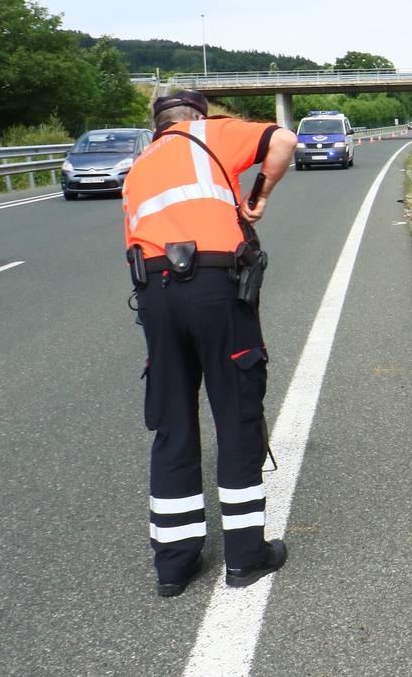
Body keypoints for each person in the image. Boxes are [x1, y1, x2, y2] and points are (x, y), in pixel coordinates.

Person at [122, 90, 298, 597]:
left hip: (154, 291)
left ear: (155, 124)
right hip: (215, 289)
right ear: (196, 116)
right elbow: (283, 139)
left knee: (172, 422)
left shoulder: (139, 166)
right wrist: (259, 194)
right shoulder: (208, 133)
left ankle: (174, 566)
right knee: (236, 410)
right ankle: (245, 556)